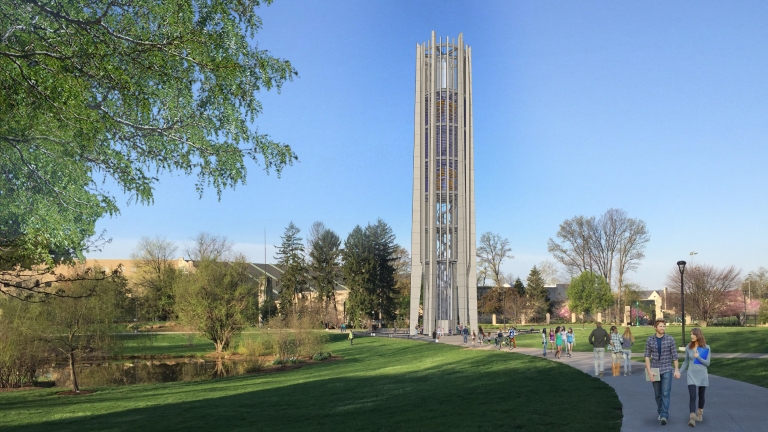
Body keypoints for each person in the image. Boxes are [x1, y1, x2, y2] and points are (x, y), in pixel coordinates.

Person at [644, 319, 681, 426]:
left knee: (665, 392)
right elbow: (646, 356)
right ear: (655, 327)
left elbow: (675, 356)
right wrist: (649, 371)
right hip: (654, 369)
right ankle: (660, 411)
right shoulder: (650, 340)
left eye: (664, 326)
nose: (663, 328)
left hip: (667, 369)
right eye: (660, 326)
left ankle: (664, 415)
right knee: (657, 394)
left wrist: (676, 370)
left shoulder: (670, 339)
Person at [680, 327, 711, 427]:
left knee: (701, 395)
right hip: (691, 375)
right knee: (692, 396)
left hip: (702, 374)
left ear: (698, 335)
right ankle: (692, 418)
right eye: (690, 334)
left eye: (693, 334)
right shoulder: (689, 347)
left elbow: (707, 363)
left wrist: (698, 357)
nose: (691, 336)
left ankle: (700, 414)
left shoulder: (706, 347)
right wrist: (679, 371)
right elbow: (685, 362)